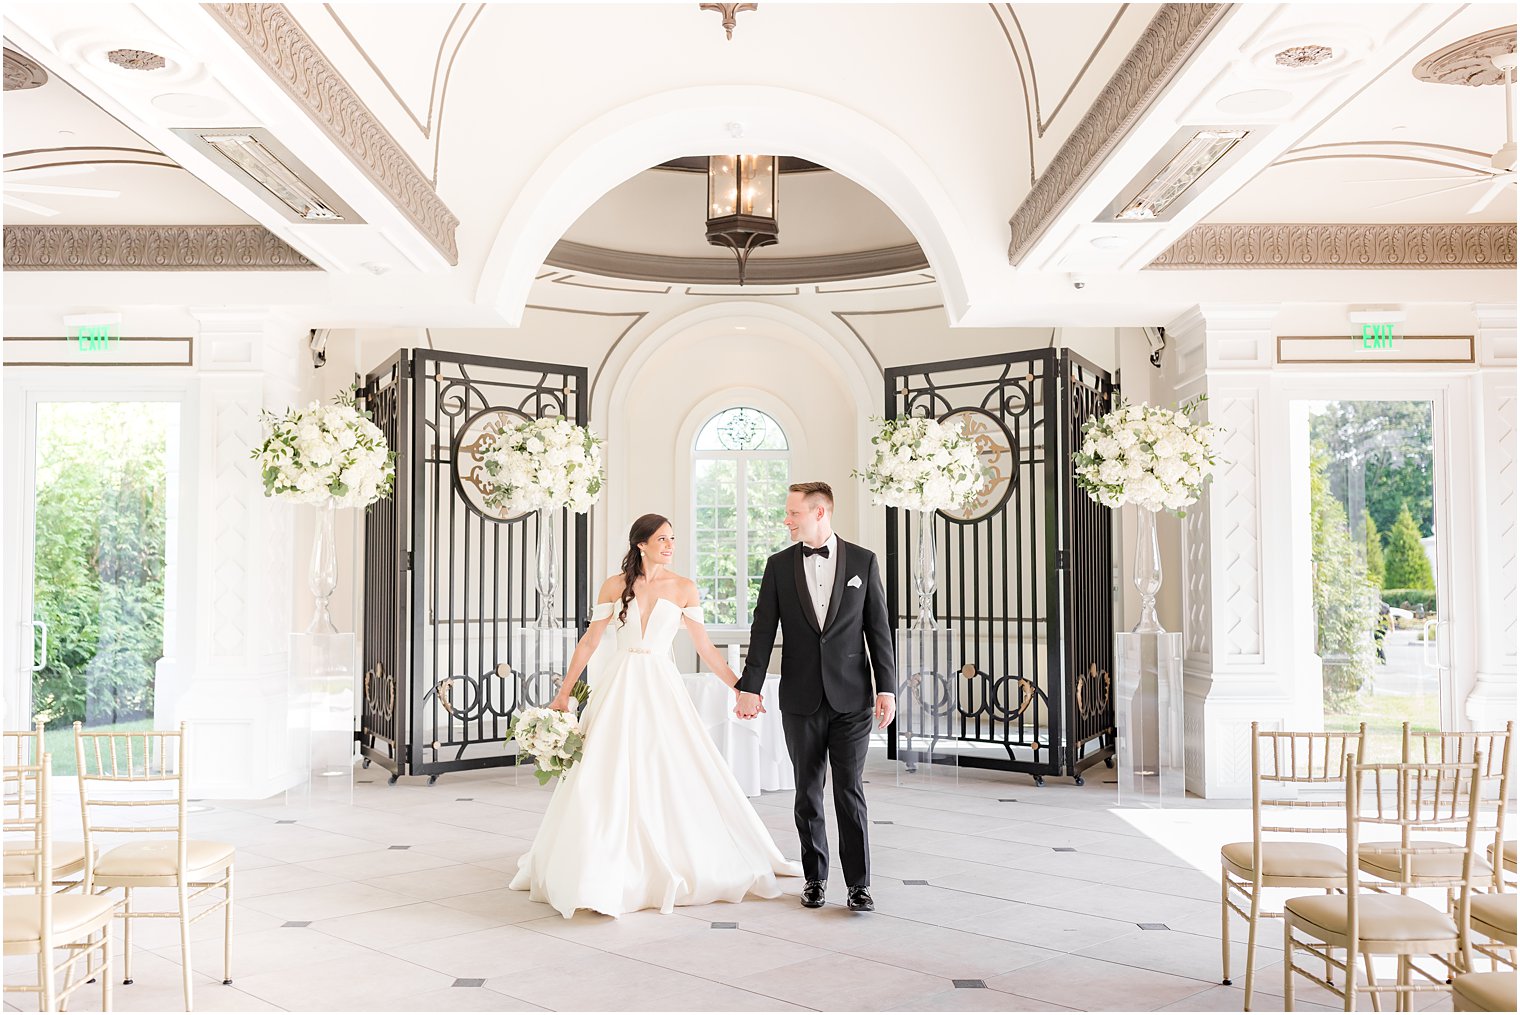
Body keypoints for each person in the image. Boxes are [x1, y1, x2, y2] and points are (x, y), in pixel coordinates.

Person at [508, 513, 802, 918]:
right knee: (605, 769)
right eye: (662, 538)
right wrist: (563, 694)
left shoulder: (684, 587)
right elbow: (590, 641)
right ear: (641, 544)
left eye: (672, 538)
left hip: (661, 685)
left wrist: (742, 688)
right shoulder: (615, 585)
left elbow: (707, 649)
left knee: (667, 764)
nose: (670, 545)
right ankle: (599, 857)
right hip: (621, 683)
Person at [739, 482, 896, 913]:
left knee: (849, 791)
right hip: (801, 698)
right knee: (807, 792)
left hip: (853, 698)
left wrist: (886, 687)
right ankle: (815, 879)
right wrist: (749, 687)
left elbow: (878, 630)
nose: (786, 520)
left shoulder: (863, 561)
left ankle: (859, 886)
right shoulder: (777, 566)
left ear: (820, 512)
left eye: (793, 513)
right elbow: (762, 630)